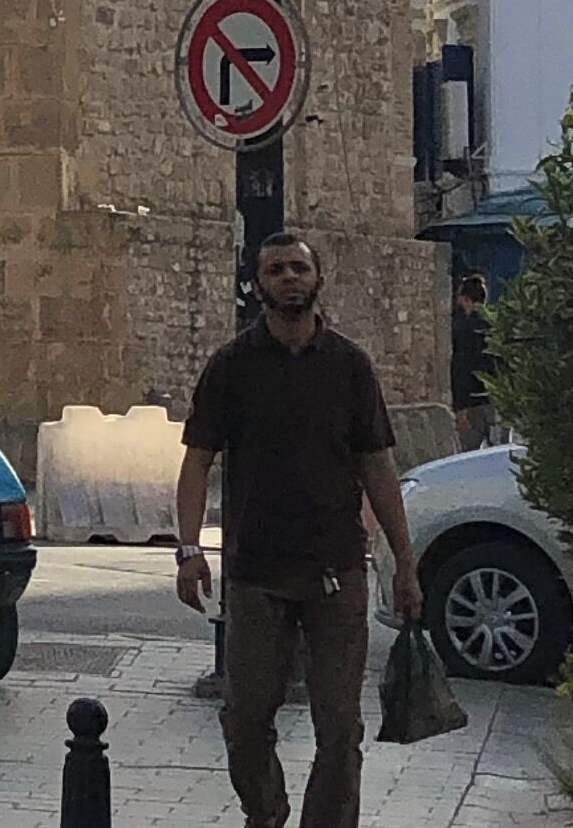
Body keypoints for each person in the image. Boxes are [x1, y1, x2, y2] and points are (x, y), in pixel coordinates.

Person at [175, 231, 422, 828]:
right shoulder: (232, 366)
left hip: (336, 572)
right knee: (245, 719)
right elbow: (197, 460)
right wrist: (188, 550)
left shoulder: (349, 366)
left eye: (299, 268)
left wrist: (405, 562)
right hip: (256, 573)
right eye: (276, 269)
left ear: (318, 280)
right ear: (257, 284)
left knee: (340, 729)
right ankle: (267, 812)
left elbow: (377, 466)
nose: (289, 278)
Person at [451, 273, 498, 450]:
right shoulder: (495, 326)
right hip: (495, 399)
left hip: (473, 402)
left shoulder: (463, 330)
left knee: (468, 454)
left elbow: (462, 368)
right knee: (501, 452)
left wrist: (460, 406)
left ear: (466, 300)